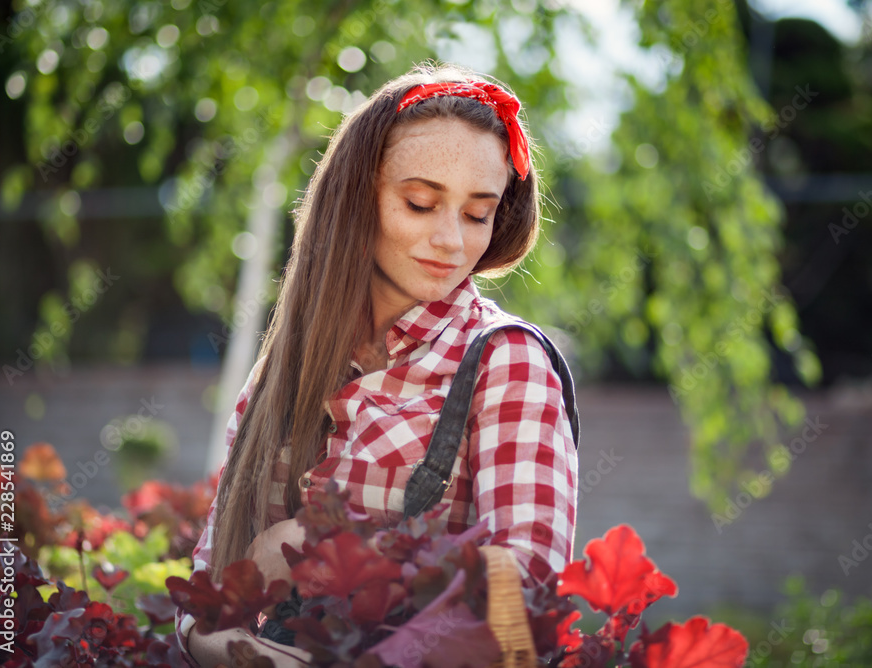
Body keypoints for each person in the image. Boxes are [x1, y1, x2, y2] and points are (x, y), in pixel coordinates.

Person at [177, 61, 580, 666]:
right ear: (356, 198)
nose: (452, 240)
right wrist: (230, 647)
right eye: (420, 203)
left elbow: (524, 596)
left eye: (477, 213)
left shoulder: (506, 361)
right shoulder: (282, 372)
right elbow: (205, 593)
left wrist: (315, 547)